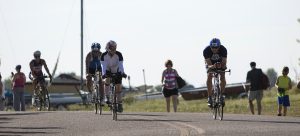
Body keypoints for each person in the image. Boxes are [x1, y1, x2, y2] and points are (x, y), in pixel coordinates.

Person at [101, 40, 127, 112]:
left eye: (115, 48)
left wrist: (122, 73)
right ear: (108, 48)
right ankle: (107, 97)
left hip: (117, 70)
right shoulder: (103, 55)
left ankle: (119, 104)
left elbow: (121, 65)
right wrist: (104, 74)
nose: (114, 50)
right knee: (107, 79)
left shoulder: (119, 54)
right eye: (112, 48)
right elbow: (103, 66)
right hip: (108, 69)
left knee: (118, 86)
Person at [203, 38, 227, 106]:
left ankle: (222, 95)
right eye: (212, 47)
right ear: (210, 47)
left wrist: (223, 66)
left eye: (216, 47)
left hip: (220, 63)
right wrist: (212, 66)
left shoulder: (223, 49)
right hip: (211, 63)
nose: (214, 49)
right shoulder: (206, 50)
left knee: (222, 76)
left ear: (219, 47)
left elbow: (224, 62)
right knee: (210, 76)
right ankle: (209, 97)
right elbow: (209, 64)